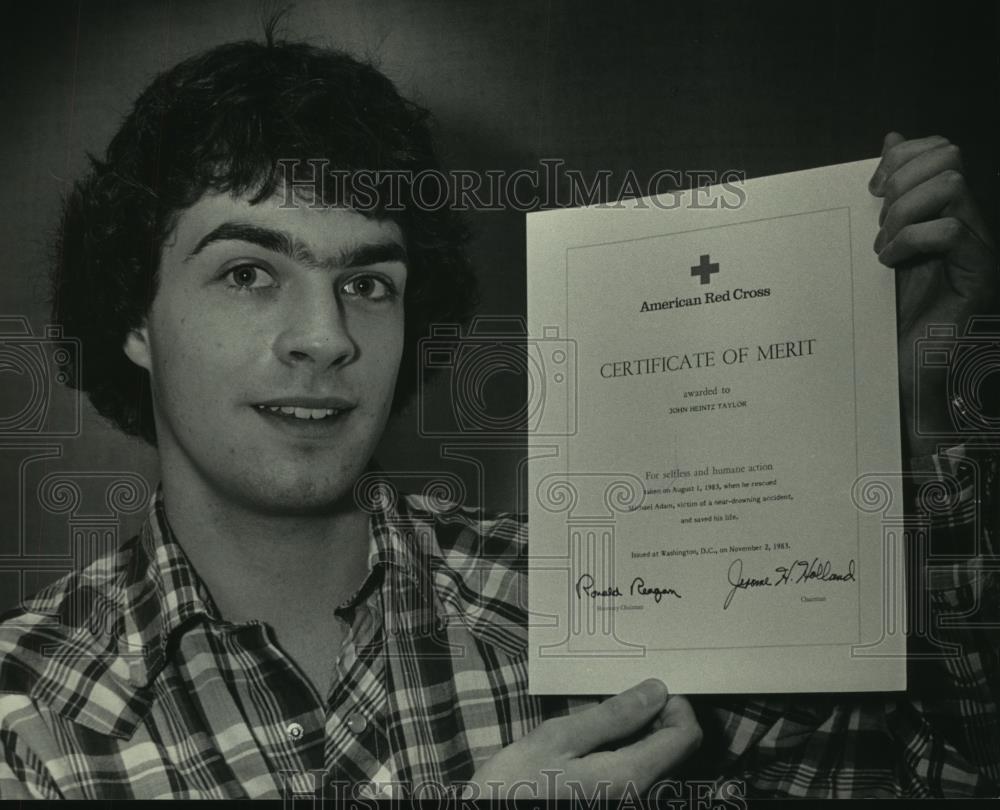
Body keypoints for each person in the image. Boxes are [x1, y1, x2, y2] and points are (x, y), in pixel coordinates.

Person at [0, 31, 996, 800]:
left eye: (371, 283)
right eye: (249, 271)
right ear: (135, 317)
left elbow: (943, 771)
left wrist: (924, 411)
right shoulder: (28, 715)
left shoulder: (595, 597)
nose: (325, 337)